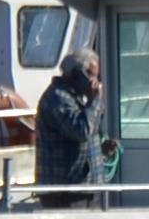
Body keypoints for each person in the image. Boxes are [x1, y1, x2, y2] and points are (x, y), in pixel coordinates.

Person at [34, 46, 106, 187]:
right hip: (66, 191)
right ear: (76, 74)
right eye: (92, 75)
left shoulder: (80, 97)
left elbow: (87, 134)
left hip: (86, 186)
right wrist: (95, 100)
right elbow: (81, 131)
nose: (96, 82)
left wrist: (102, 146)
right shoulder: (57, 98)